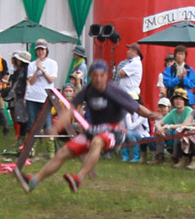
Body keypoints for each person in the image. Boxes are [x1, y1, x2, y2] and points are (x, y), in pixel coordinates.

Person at [18, 59, 142, 192]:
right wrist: (56, 127)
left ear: (106, 76)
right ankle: (34, 181)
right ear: (90, 76)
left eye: (101, 76)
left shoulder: (114, 90)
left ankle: (79, 178)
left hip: (114, 132)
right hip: (93, 130)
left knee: (97, 141)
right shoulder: (88, 90)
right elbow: (70, 110)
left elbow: (138, 107)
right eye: (95, 76)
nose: (98, 79)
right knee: (63, 152)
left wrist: (153, 115)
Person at [21, 42, 59, 140]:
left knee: (47, 123)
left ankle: (50, 148)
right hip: (32, 96)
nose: (40, 52)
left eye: (43, 50)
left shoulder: (52, 63)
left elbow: (51, 80)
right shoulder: (31, 65)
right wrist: (37, 70)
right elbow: (31, 81)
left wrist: (43, 70)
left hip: (45, 96)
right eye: (38, 50)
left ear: (46, 51)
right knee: (32, 123)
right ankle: (31, 147)